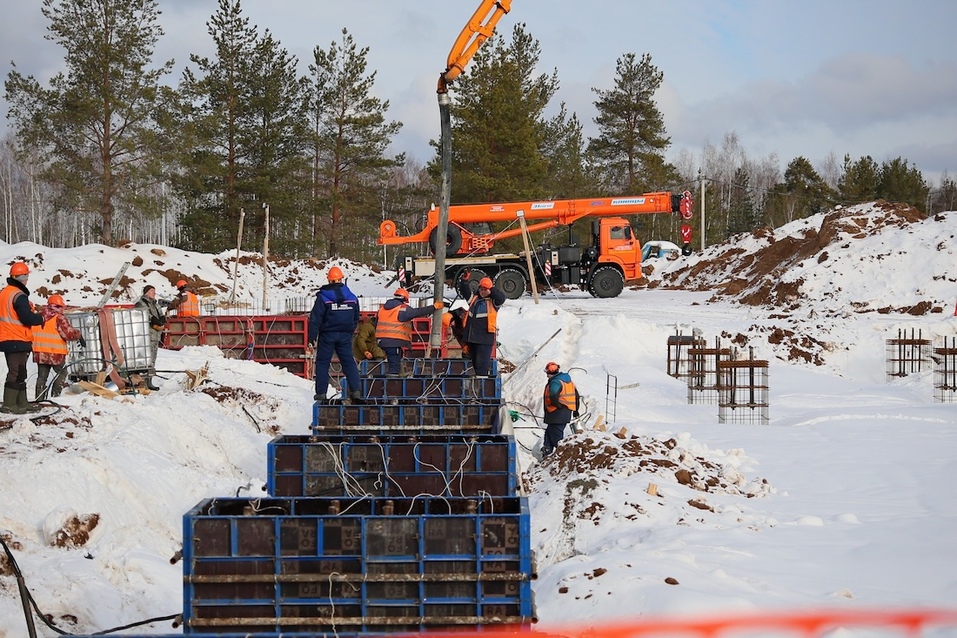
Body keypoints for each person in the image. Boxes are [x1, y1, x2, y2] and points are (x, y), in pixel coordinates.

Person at [308, 266, 363, 403]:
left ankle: (321, 393)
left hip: (327, 335)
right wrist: (350, 330)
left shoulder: (323, 297)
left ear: (329, 279)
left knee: (322, 363)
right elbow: (356, 317)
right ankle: (356, 391)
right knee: (349, 362)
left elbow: (315, 318)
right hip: (345, 335)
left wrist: (312, 336)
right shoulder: (352, 297)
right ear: (341, 279)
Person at [0, 262, 46, 413]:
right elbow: (26, 318)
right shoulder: (19, 296)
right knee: (16, 371)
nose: (27, 280)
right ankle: (9, 405)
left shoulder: (5, 293)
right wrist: (40, 318)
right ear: (23, 277)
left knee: (20, 371)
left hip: (8, 337)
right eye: (26, 276)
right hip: (16, 338)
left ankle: (21, 403)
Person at [375, 288, 442, 376]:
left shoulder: (382, 309)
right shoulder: (402, 309)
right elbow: (418, 312)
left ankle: (397, 379)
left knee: (395, 360)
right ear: (405, 299)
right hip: (393, 341)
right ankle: (392, 385)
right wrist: (434, 307)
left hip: (382, 340)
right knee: (394, 366)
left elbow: (376, 323)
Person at [32, 294, 84, 400]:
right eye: (60, 307)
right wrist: (78, 334)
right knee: (62, 373)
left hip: (40, 352)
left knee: (42, 377)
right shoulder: (59, 318)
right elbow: (68, 334)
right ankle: (55, 397)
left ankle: (39, 400)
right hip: (55, 353)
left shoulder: (38, 315)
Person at [457, 273, 506, 377]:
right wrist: (464, 281)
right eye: (481, 289)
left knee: (481, 366)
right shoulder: (474, 299)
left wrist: (491, 289)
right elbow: (465, 292)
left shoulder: (493, 302)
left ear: (490, 290)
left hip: (484, 338)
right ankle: (477, 383)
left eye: (485, 289)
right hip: (472, 337)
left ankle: (482, 385)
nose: (482, 292)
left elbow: (501, 297)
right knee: (474, 364)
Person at [541, 361, 580, 458]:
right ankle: (547, 450)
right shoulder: (568, 381)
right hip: (564, 412)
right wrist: (575, 410)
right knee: (550, 432)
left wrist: (557, 405)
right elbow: (576, 396)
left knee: (556, 437)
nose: (547, 376)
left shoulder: (556, 382)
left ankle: (562, 456)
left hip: (557, 413)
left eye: (547, 374)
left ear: (550, 373)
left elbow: (553, 394)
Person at [135, 285, 166, 391]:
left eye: (154, 290)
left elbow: (160, 314)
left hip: (155, 336)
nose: (154, 292)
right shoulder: (141, 303)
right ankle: (143, 381)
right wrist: (152, 319)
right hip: (145, 336)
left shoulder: (155, 304)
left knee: (152, 359)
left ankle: (149, 381)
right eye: (152, 290)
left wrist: (162, 318)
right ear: (146, 292)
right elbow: (143, 314)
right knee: (144, 359)